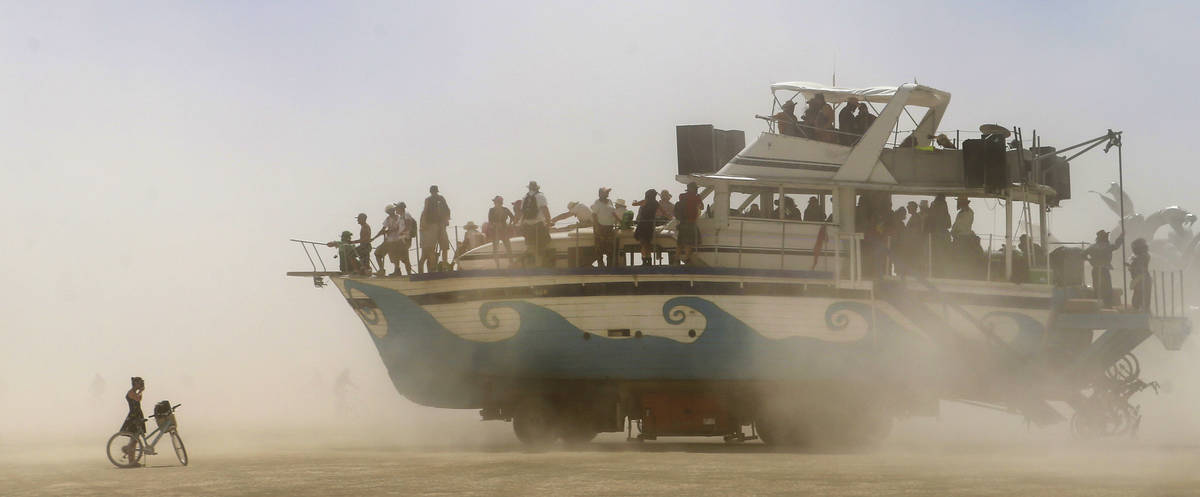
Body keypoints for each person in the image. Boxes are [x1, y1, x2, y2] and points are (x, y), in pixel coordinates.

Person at [1085, 230, 1125, 307]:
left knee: (1097, 287)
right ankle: (1107, 305)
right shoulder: (1107, 246)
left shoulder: (1092, 247)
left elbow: (1083, 254)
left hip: (1095, 269)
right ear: (1104, 237)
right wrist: (1121, 236)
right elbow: (1117, 245)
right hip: (1104, 269)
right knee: (1107, 288)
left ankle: (1097, 305)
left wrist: (1089, 260)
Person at [420, 185, 452, 272]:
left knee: (443, 246)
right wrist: (424, 223)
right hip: (433, 225)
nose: (434, 193)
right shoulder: (432, 199)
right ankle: (434, 267)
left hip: (438, 225)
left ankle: (443, 266)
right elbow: (426, 211)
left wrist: (447, 219)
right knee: (433, 247)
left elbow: (447, 210)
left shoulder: (439, 199)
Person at [521, 181, 553, 267]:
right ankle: (539, 265)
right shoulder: (540, 196)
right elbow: (545, 210)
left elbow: (522, 214)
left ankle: (529, 265)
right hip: (538, 225)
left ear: (529, 188)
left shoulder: (525, 198)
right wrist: (548, 223)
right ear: (537, 188)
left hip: (527, 226)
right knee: (543, 245)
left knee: (531, 246)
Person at [590, 187, 620, 268]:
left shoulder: (610, 201)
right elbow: (594, 215)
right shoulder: (597, 202)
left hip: (609, 227)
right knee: (599, 248)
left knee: (610, 247)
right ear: (600, 194)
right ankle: (600, 265)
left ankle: (610, 265)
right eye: (606, 192)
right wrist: (597, 226)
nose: (608, 193)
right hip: (600, 227)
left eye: (608, 192)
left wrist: (620, 221)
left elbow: (613, 213)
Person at [119, 377, 146, 465]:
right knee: (134, 438)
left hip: (137, 415)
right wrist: (141, 391)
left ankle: (129, 452)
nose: (140, 385)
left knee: (135, 439)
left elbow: (139, 399)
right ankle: (131, 460)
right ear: (135, 384)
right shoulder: (131, 393)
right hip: (133, 417)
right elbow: (137, 399)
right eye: (139, 383)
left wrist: (140, 391)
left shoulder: (134, 392)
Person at [373, 205, 405, 276]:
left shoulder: (398, 218)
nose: (389, 212)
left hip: (396, 240)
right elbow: (383, 229)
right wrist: (374, 238)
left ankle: (397, 271)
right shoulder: (388, 219)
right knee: (377, 253)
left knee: (394, 257)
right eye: (388, 211)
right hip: (388, 241)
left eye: (390, 210)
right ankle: (381, 270)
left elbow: (400, 228)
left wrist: (389, 231)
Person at [675, 182, 703, 264]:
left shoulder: (682, 196)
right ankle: (687, 259)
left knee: (680, 243)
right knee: (689, 243)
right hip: (691, 223)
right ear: (694, 189)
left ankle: (676, 260)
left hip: (682, 222)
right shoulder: (696, 197)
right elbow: (702, 207)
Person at [634, 189, 660, 266]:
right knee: (648, 243)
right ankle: (649, 259)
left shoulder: (644, 201)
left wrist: (635, 201)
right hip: (650, 224)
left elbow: (634, 204)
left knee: (643, 244)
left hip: (642, 224)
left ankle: (644, 259)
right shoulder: (656, 203)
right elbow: (663, 212)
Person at [488, 196, 515, 268]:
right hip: (496, 231)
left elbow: (513, 218)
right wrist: (494, 225)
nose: (496, 203)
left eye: (497, 202)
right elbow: (490, 221)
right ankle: (497, 265)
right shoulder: (492, 210)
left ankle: (511, 264)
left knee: (508, 248)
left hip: (503, 230)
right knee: (496, 249)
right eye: (496, 202)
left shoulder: (504, 209)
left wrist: (509, 225)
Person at [1129, 238, 1152, 311]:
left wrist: (1135, 281)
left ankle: (1142, 317)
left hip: (1142, 280)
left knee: (1141, 300)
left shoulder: (1143, 256)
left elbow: (1140, 270)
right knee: (1138, 300)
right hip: (1141, 280)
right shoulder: (1140, 256)